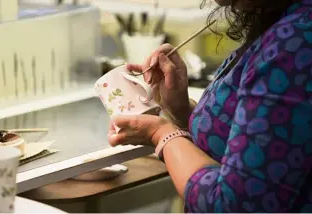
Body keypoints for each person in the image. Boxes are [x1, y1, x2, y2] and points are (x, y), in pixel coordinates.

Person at [108, 0, 312, 212]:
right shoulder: (283, 25)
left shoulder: (293, 45)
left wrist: (161, 134)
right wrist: (181, 111)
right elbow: (250, 136)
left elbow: (233, 207)